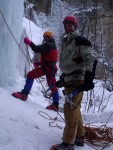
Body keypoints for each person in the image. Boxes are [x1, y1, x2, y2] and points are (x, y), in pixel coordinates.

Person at [50, 15, 97, 150]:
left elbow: (91, 58)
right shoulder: (67, 42)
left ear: (75, 27)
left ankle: (68, 143)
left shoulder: (79, 40)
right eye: (66, 25)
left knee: (70, 110)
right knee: (74, 110)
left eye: (70, 25)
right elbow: (70, 64)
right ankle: (79, 137)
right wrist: (62, 79)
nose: (67, 27)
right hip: (71, 79)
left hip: (77, 81)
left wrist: (89, 78)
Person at [12, 31, 59, 111]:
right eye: (45, 37)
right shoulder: (52, 45)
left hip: (48, 68)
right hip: (51, 68)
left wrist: (30, 43)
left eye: (47, 36)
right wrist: (40, 63)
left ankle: (24, 94)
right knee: (52, 85)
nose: (46, 38)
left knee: (31, 75)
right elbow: (50, 57)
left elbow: (37, 49)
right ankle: (55, 105)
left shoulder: (49, 44)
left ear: (50, 37)